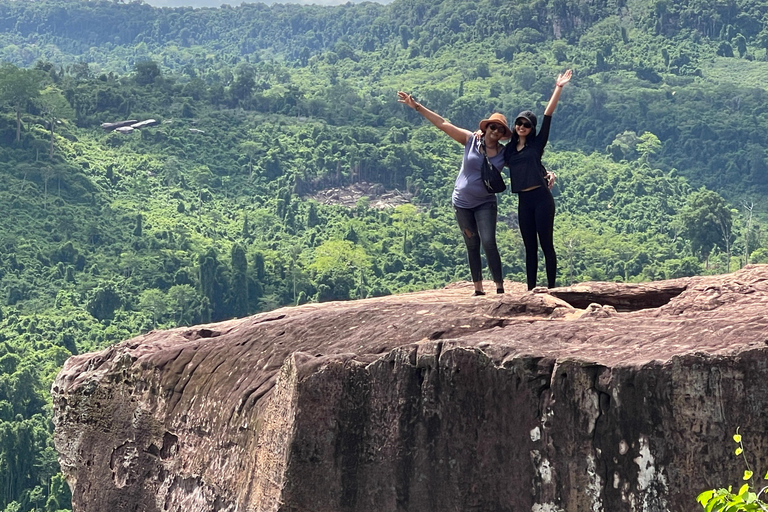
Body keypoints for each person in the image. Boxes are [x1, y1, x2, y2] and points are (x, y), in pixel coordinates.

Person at [398, 91, 509, 296]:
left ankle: (499, 287)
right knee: (472, 243)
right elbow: (443, 124)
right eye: (492, 126)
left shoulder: (504, 154)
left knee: (488, 242)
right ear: (486, 128)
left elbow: (525, 162)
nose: (495, 131)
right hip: (462, 203)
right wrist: (417, 106)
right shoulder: (470, 140)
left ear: (503, 134)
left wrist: (546, 173)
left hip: (486, 203)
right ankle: (478, 288)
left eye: (500, 129)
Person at [504, 69, 572, 290]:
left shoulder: (536, 144)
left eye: (526, 124)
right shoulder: (510, 151)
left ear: (531, 129)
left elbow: (548, 114)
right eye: (519, 123)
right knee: (529, 247)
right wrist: (479, 134)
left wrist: (558, 87)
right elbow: (491, 146)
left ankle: (552, 289)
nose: (521, 127)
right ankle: (531, 289)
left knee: (546, 245)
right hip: (524, 201)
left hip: (542, 198)